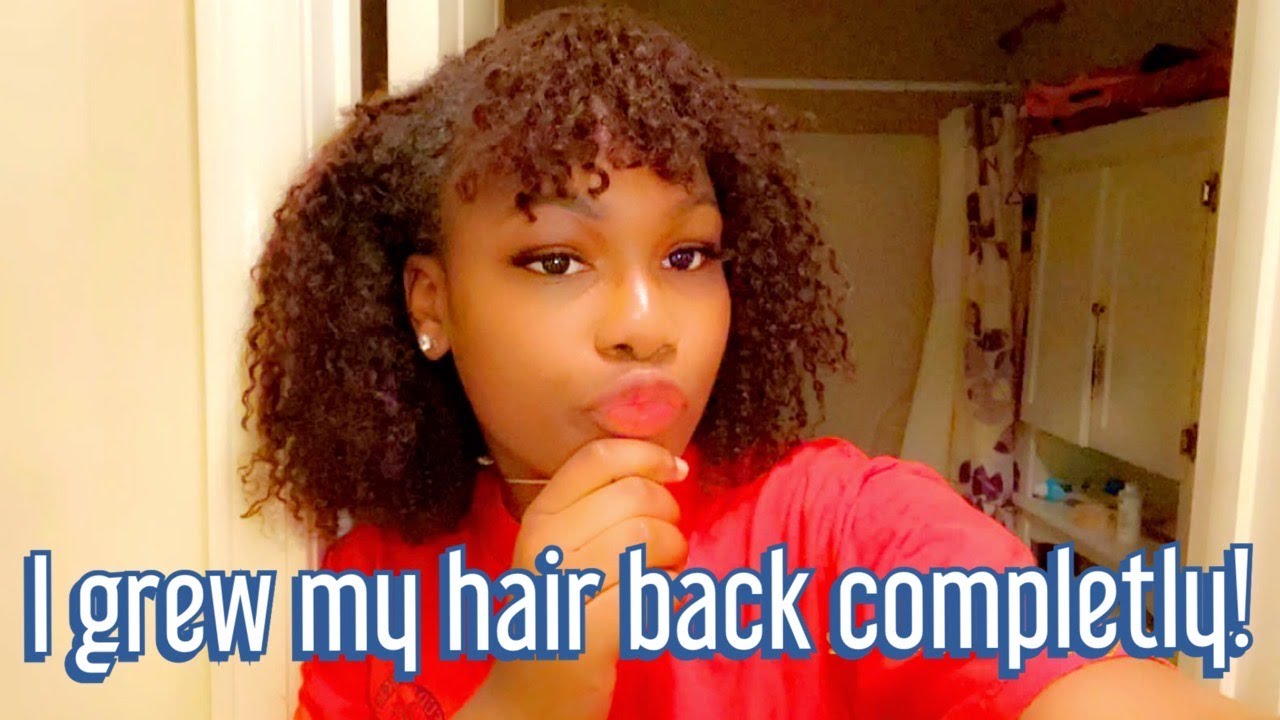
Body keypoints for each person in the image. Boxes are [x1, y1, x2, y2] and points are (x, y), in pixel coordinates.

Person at [241, 6, 1262, 719]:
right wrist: (527, 697)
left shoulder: (840, 530)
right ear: (432, 301)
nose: (645, 325)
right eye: (555, 260)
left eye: (687, 255)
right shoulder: (371, 584)